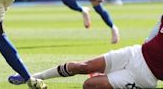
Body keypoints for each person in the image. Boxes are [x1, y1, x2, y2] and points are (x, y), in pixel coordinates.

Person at [20, 14, 163, 89]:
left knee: (89, 85)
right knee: (83, 66)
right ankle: (33, 77)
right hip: (135, 53)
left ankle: (109, 77)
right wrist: (147, 41)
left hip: (144, 77)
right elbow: (158, 25)